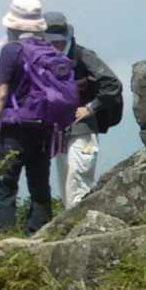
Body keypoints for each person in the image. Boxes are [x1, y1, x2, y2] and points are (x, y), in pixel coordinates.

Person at [0, 0, 81, 234]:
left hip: (13, 128)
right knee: (39, 183)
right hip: (43, 128)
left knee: (5, 183)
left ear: (13, 26)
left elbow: (1, 93)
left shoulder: (11, 51)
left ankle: (4, 235)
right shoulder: (50, 51)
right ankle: (40, 233)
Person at [42, 12, 123, 209]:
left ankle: (84, 224)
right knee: (66, 187)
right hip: (60, 133)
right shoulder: (45, 59)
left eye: (57, 42)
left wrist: (90, 108)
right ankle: (72, 224)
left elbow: (112, 84)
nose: (54, 46)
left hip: (83, 130)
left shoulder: (82, 55)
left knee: (78, 181)